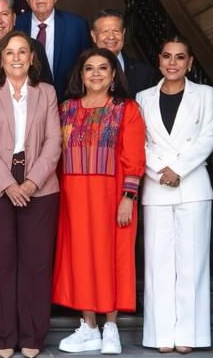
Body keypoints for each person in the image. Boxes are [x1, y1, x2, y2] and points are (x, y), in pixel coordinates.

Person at [0, 31, 61, 358]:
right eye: (9, 52)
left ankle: (32, 337)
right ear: (1, 58)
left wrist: (32, 182)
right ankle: (3, 337)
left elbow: (54, 141)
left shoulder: (47, 92)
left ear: (32, 57)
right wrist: (8, 184)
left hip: (40, 188)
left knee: (36, 264)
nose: (16, 58)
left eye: (22, 51)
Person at [53, 48, 146, 355]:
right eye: (89, 68)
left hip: (111, 197)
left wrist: (128, 197)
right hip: (73, 198)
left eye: (102, 68)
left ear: (113, 74)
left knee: (111, 258)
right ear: (81, 75)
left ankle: (111, 328)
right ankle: (90, 327)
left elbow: (134, 157)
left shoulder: (126, 109)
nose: (95, 74)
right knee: (79, 258)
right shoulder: (66, 109)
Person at [137, 37, 213, 354]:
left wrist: (179, 168)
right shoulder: (143, 97)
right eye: (167, 56)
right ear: (159, 60)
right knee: (157, 264)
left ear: (190, 62)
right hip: (157, 186)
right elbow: (139, 142)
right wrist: (161, 169)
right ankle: (160, 336)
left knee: (192, 263)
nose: (173, 63)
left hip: (193, 186)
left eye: (180, 57)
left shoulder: (205, 94)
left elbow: (208, 136)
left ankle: (188, 335)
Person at [16, 0, 92, 100]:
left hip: (68, 103)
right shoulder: (16, 25)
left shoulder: (77, 26)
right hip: (24, 103)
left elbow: (88, 68)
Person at [90, 9, 156, 96]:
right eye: (105, 31)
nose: (111, 37)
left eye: (116, 31)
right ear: (94, 36)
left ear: (123, 33)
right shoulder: (81, 72)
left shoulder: (144, 72)